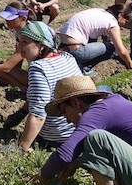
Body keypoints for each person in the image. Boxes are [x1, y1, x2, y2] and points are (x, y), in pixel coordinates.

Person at [14, 21, 83, 151]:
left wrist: (22, 147)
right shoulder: (67, 57)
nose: (19, 46)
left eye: (25, 42)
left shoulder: (38, 69)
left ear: (42, 45)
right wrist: (21, 112)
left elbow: (38, 115)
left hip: (56, 137)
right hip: (79, 130)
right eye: (19, 41)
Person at [57, 7, 132, 73]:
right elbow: (121, 51)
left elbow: (94, 34)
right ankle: (85, 68)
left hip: (61, 48)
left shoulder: (99, 12)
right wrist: (130, 63)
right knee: (112, 46)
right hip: (77, 51)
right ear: (120, 15)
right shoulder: (113, 24)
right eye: (126, 21)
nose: (124, 25)